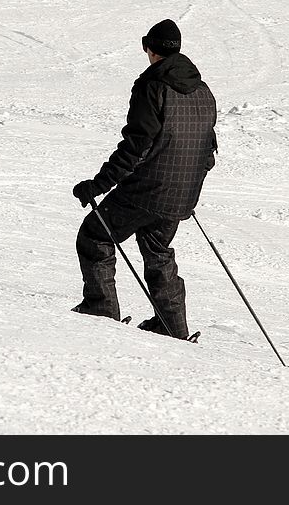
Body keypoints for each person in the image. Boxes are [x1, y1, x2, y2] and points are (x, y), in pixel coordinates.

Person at [71, 19, 218, 340]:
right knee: (158, 251)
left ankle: (101, 307)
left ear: (147, 47)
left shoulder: (152, 86)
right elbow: (207, 151)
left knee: (95, 235)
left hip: (147, 189)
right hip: (181, 194)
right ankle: (172, 327)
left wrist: (97, 186)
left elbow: (136, 145)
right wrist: (187, 190)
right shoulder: (203, 91)